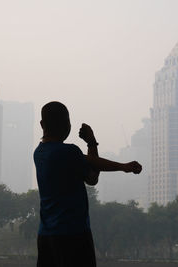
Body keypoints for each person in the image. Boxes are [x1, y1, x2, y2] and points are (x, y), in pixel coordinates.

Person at [34, 101, 142, 267]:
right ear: (67, 125)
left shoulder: (39, 152)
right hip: (73, 234)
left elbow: (91, 164)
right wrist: (93, 143)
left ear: (42, 124)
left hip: (46, 236)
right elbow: (92, 177)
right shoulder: (69, 152)